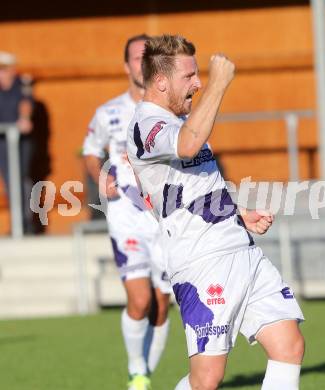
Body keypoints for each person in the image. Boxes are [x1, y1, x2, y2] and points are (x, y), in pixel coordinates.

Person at [127, 35, 305, 390]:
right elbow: (188, 144)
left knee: (289, 346)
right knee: (207, 379)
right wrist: (220, 83)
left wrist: (237, 213)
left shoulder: (180, 122)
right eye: (189, 76)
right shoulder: (147, 124)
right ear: (161, 82)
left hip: (238, 247)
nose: (198, 83)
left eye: (200, 75)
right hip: (202, 261)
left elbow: (191, 187)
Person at [82, 35, 170, 390]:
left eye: (149, 56)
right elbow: (90, 151)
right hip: (125, 218)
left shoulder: (171, 109)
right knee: (140, 300)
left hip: (164, 219)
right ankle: (138, 372)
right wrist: (100, 176)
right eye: (137, 57)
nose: (142, 62)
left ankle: (144, 376)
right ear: (126, 66)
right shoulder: (109, 112)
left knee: (161, 305)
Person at [0, 50, 35, 234]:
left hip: (19, 142)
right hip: (2, 142)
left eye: (4, 68)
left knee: (21, 180)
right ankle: (17, 223)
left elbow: (26, 103)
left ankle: (25, 223)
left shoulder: (22, 83)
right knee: (8, 182)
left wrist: (24, 118)